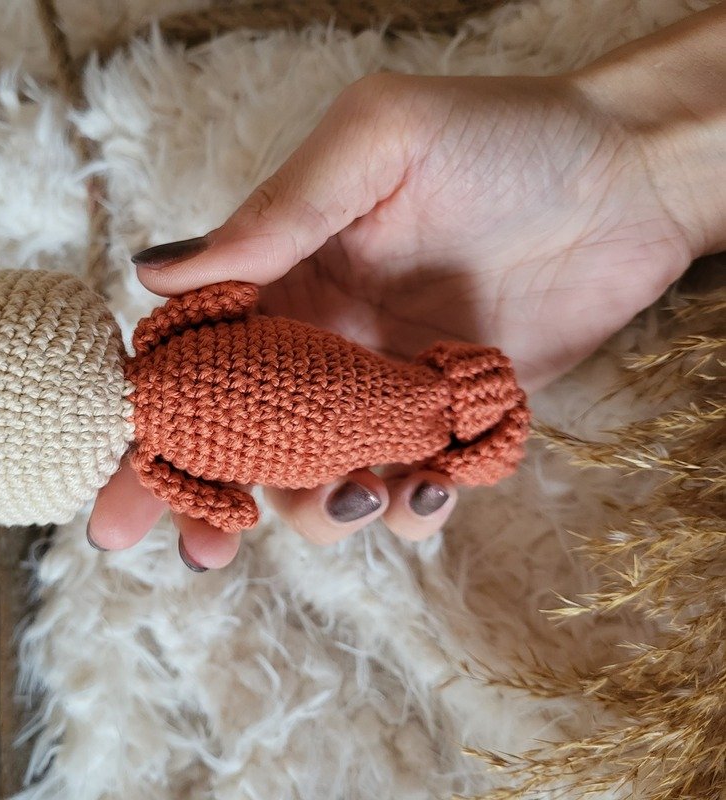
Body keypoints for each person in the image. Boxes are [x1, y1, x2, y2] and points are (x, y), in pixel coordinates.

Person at [88, 4, 726, 570]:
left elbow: (233, 501)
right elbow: (230, 496)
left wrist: (630, 156)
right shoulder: (169, 408)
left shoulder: (170, 381)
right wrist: (642, 174)